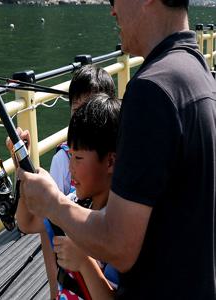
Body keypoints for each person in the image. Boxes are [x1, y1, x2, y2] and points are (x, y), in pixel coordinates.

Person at [17, 0, 216, 299]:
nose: (112, 10)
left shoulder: (153, 89)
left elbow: (118, 244)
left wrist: (53, 203)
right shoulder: (200, 75)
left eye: (114, 0)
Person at [15, 94, 121, 299]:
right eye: (70, 155)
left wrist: (84, 261)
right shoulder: (75, 203)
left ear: (110, 162)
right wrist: (22, 169)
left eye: (78, 158)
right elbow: (26, 222)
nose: (71, 167)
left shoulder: (120, 228)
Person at [50, 64, 116, 195]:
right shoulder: (62, 159)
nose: (81, 119)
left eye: (89, 111)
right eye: (76, 111)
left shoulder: (121, 149)